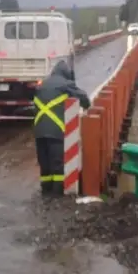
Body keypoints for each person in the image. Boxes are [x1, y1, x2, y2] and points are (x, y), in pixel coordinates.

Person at [32, 59, 91, 197]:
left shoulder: (42, 84)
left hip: (39, 131)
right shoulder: (66, 84)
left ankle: (45, 193)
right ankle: (57, 196)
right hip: (56, 131)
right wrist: (87, 107)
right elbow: (83, 98)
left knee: (45, 164)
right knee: (57, 163)